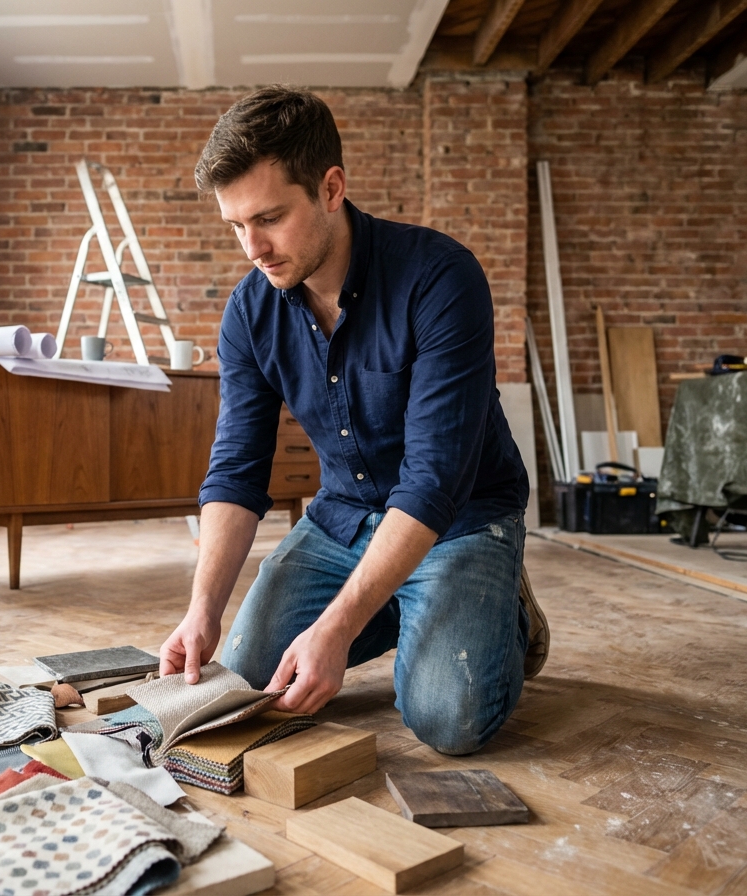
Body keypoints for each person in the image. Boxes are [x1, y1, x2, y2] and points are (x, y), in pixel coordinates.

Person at [157, 86, 549, 756]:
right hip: (343, 517)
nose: (252, 246)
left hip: (457, 518)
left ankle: (503, 611)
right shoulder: (252, 312)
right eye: (235, 225)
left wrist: (336, 629)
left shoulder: (440, 279)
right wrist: (202, 611)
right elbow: (236, 470)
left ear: (331, 187)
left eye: (270, 218)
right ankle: (405, 604)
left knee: (446, 717)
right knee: (247, 679)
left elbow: (432, 481)